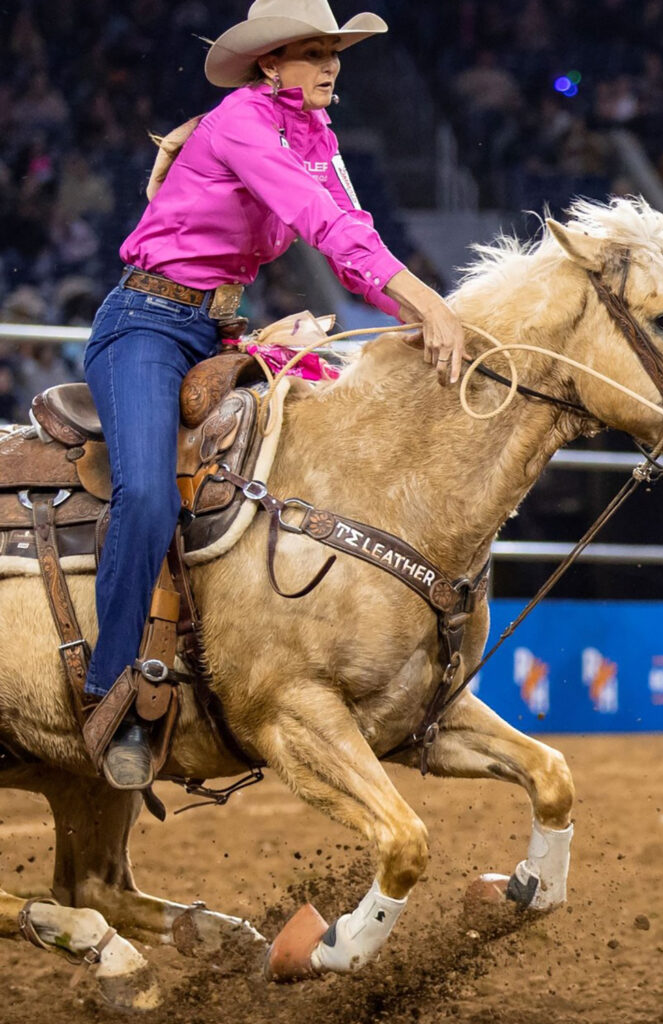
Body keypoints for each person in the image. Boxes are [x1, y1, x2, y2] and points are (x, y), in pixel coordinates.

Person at [82, 0, 466, 791]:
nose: (330, 65)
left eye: (336, 53)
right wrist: (426, 304)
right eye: (311, 52)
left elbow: (352, 230)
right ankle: (111, 695)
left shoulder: (316, 137)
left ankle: (300, 665)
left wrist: (413, 304)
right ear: (269, 63)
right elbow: (320, 222)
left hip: (220, 330)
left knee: (320, 459)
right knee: (148, 494)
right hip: (145, 325)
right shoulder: (241, 123)